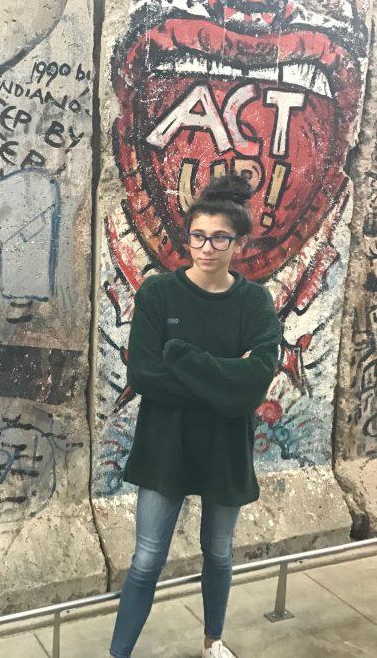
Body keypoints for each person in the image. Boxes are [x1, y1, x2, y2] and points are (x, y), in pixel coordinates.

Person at [109, 175, 282, 658]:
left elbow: (255, 382)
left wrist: (181, 356)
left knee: (219, 553)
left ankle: (213, 642)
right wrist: (227, 382)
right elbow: (144, 375)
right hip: (165, 442)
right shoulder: (158, 294)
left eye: (220, 238)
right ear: (187, 238)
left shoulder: (254, 303)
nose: (207, 247)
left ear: (239, 243)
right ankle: (118, 653)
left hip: (225, 446)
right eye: (199, 236)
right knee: (146, 561)